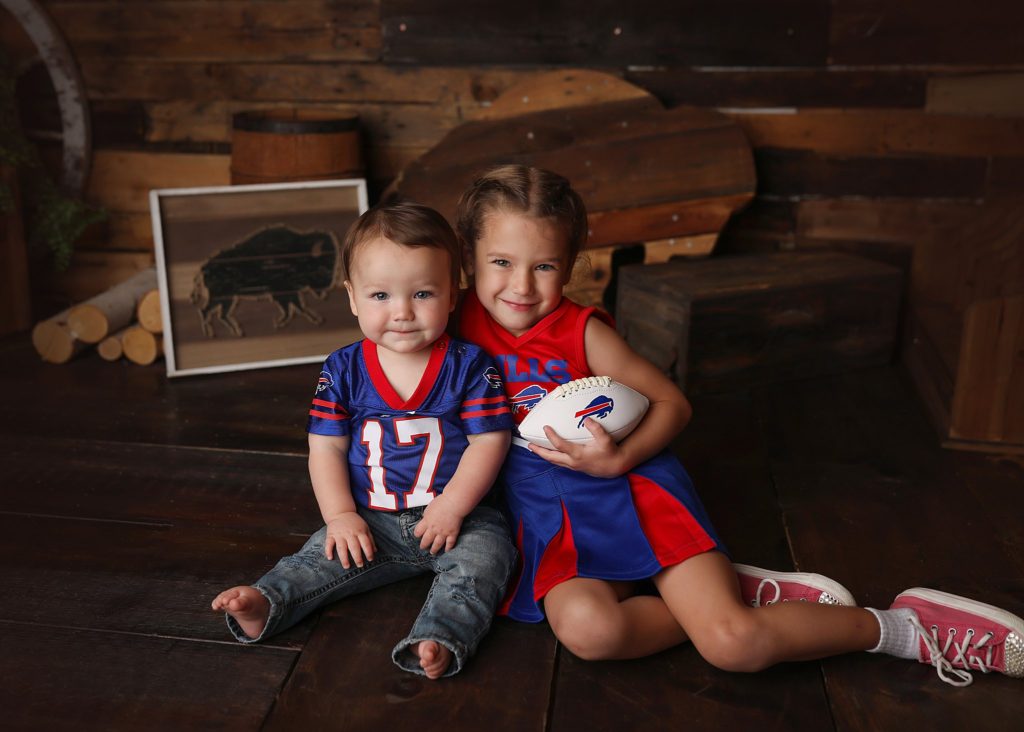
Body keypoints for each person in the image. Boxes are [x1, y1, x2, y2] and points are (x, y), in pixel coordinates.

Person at [454, 163, 1023, 687]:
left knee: (732, 646)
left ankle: (902, 628)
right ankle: (737, 593)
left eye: (544, 265)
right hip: (551, 523)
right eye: (502, 262)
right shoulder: (451, 329)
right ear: (469, 258)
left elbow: (673, 406)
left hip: (626, 494)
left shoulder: (581, 332)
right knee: (589, 632)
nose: (522, 286)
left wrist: (620, 459)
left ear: (573, 261)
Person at [212, 201, 517, 680]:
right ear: (352, 297)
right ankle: (266, 602)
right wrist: (339, 515)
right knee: (319, 556)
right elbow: (326, 447)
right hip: (372, 517)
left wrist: (454, 506)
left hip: (461, 517)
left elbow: (489, 442)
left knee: (488, 560)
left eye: (422, 293)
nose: (401, 312)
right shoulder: (343, 369)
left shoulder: (469, 366)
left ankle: (438, 637)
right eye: (380, 296)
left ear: (453, 294)